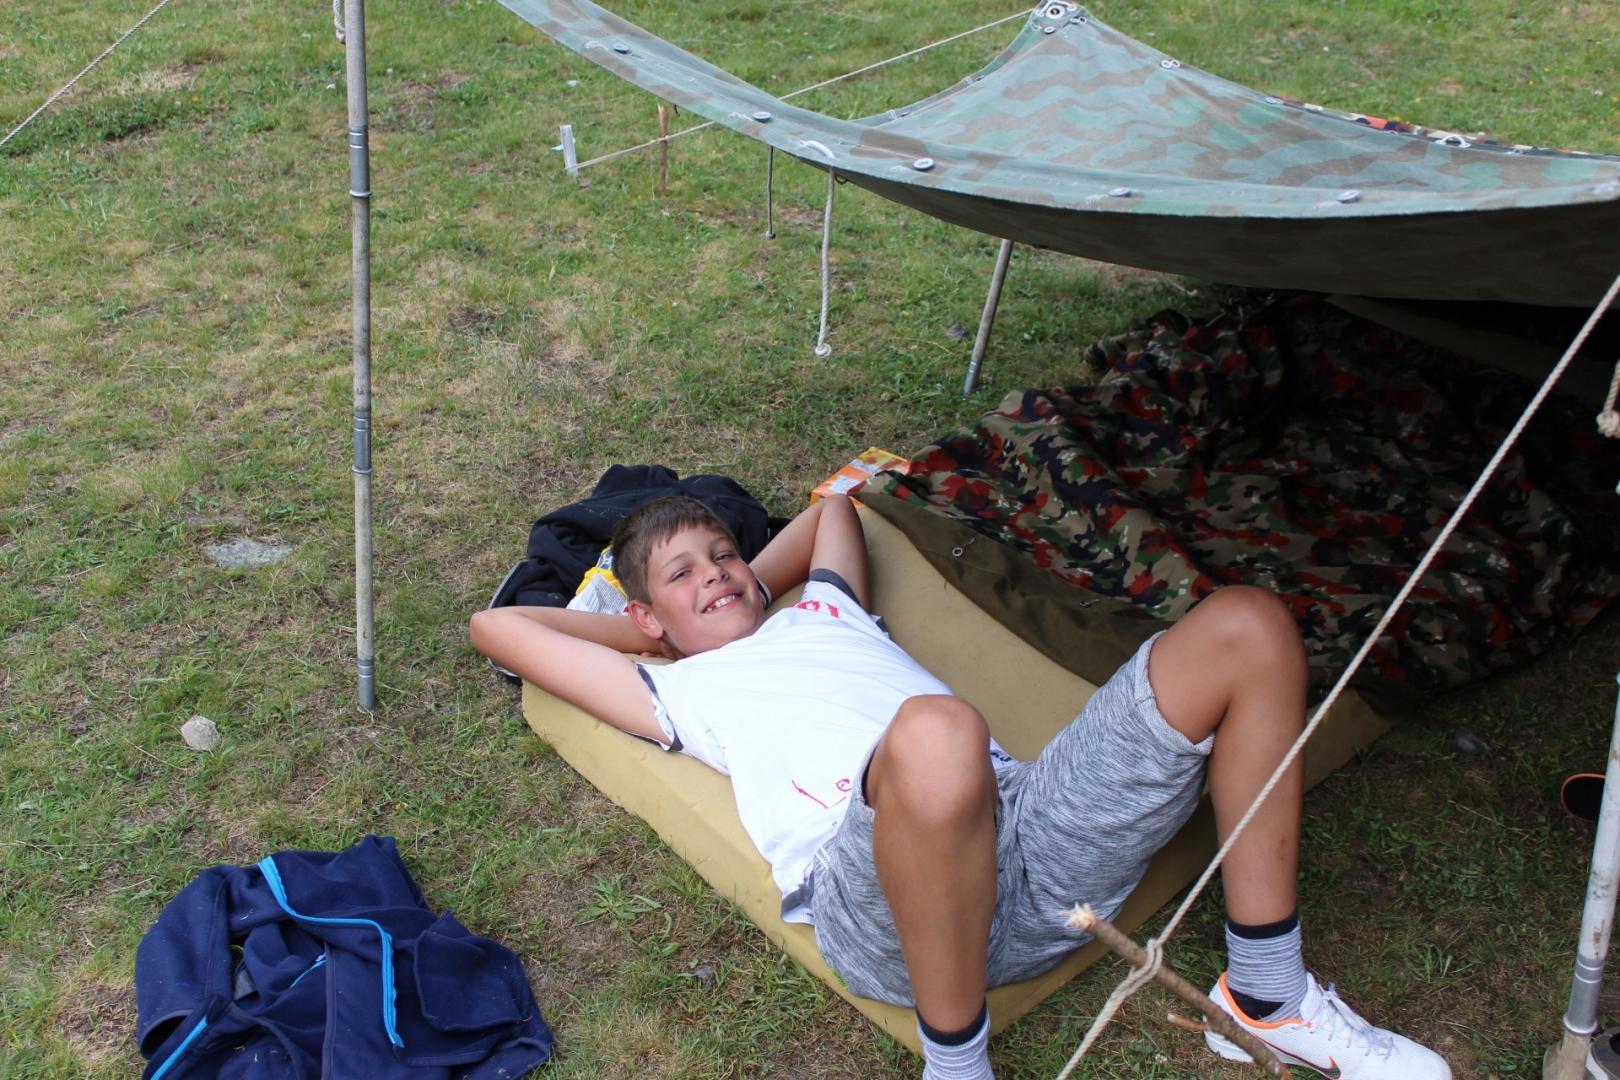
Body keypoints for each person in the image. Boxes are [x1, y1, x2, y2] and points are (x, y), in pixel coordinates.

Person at [470, 493, 1451, 1080]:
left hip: (1027, 836)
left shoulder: (827, 609)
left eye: (724, 554)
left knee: (1248, 625)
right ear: (647, 618)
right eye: (684, 575)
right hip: (883, 902)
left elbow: (835, 510)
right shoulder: (674, 690)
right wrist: (655, 633)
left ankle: (1268, 996)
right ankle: (957, 1064)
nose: (717, 574)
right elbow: (499, 628)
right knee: (939, 731)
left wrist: (740, 585)